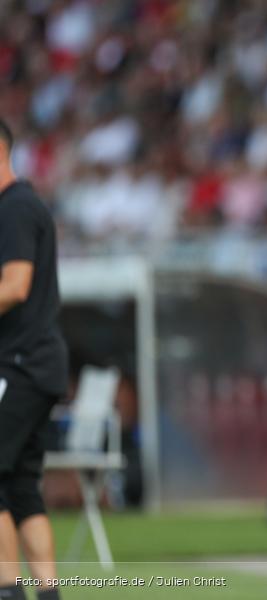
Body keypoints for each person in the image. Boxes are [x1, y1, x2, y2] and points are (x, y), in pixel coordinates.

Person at [0, 119, 66, 600]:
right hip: (38, 365)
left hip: (18, 364)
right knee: (22, 487)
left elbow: (15, 285)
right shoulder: (23, 206)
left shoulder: (14, 208)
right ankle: (47, 594)